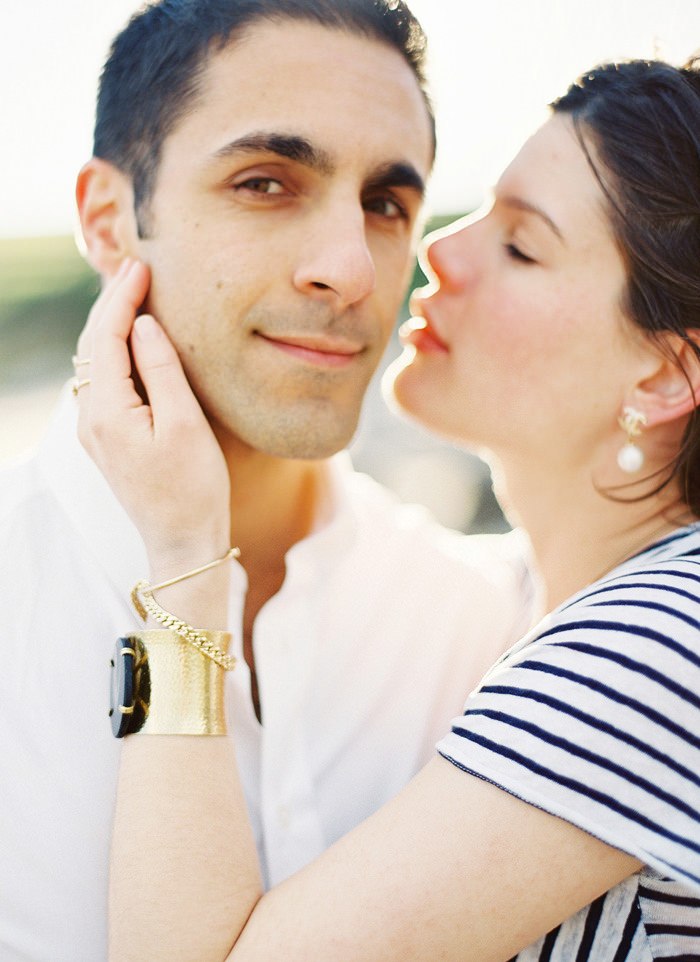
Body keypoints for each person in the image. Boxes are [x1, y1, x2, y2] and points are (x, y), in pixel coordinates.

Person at [78, 56, 700, 960]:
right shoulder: (510, 604)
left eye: (522, 245)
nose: (435, 249)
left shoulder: (659, 644)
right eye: (480, 209)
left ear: (667, 373)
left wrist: (181, 560)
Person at [0, 2, 531, 960]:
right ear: (110, 222)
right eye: (265, 182)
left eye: (385, 205)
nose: (351, 271)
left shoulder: (483, 627)